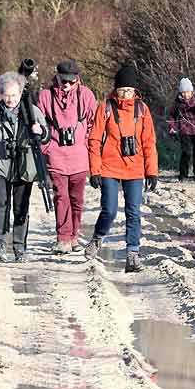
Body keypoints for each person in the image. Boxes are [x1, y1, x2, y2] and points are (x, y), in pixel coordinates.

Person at [83, 65, 159, 273]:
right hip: (109, 167)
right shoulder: (105, 107)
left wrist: (152, 171)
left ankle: (132, 255)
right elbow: (94, 139)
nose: (126, 94)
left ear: (136, 91)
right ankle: (97, 238)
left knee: (133, 212)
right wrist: (95, 170)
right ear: (115, 90)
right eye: (122, 90)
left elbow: (149, 142)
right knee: (109, 209)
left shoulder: (142, 110)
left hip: (134, 169)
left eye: (129, 90)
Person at [0, 72, 50, 263]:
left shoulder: (31, 112)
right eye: (6, 95)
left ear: (20, 94)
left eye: (14, 95)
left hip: (23, 166)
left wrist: (40, 131)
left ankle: (19, 248)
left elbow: (45, 136)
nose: (10, 99)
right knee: (2, 203)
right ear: (0, 94)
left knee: (20, 207)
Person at [37, 61, 98, 254]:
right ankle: (63, 238)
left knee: (76, 199)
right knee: (60, 197)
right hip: (56, 155)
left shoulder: (86, 95)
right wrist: (47, 147)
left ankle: (74, 236)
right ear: (57, 77)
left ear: (77, 79)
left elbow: (93, 125)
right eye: (63, 80)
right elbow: (39, 126)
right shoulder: (45, 96)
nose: (67, 85)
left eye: (71, 81)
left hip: (79, 157)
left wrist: (85, 145)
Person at [168, 77, 195, 181]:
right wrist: (172, 128)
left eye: (188, 92)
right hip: (184, 130)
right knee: (186, 152)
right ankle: (183, 175)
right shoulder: (177, 102)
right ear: (180, 92)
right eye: (183, 92)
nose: (186, 95)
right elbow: (172, 116)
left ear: (191, 91)